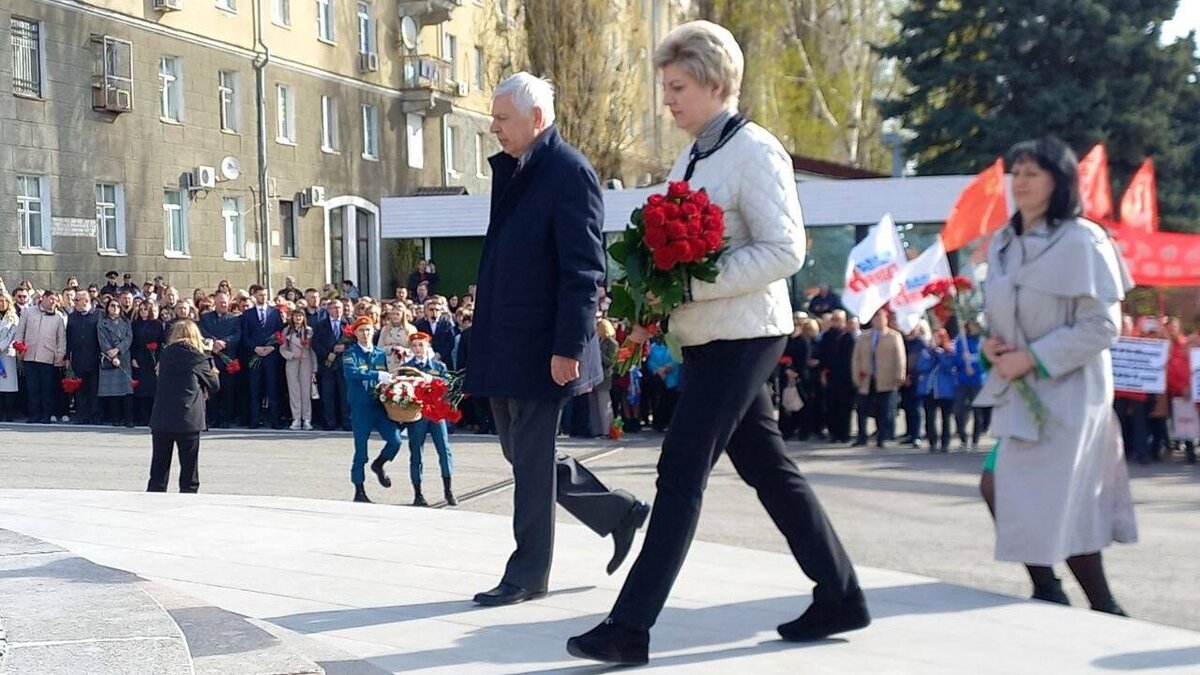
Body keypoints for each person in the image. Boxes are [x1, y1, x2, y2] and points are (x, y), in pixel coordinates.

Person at [567, 23, 867, 666]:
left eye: (676, 87)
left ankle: (630, 628)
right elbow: (681, 256)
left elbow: (785, 250)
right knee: (768, 470)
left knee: (679, 474)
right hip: (709, 336)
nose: (667, 100)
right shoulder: (695, 154)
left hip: (747, 334)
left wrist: (687, 290)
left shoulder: (756, 149)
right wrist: (655, 304)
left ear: (713, 83)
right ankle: (841, 594)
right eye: (666, 87)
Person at [467, 71, 649, 609]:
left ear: (536, 120)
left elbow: (584, 269)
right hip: (507, 342)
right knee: (521, 452)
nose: (493, 127)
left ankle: (527, 573)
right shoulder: (521, 168)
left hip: (543, 346)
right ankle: (617, 511)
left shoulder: (569, 172)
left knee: (529, 458)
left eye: (502, 118)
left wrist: (569, 347)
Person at [974, 136, 1136, 615]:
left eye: (1033, 172)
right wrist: (991, 345)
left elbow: (1104, 324)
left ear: (1059, 181)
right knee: (1001, 484)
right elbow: (1001, 315)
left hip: (1069, 391)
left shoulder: (1083, 239)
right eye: (1017, 172)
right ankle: (1049, 588)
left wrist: (1034, 357)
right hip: (1019, 390)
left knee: (1065, 498)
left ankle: (1100, 604)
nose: (1020, 182)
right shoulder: (1003, 242)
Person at [147, 319, 219, 493]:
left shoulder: (165, 354)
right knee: (189, 470)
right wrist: (210, 359)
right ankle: (188, 497)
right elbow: (214, 385)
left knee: (158, 468)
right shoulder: (199, 358)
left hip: (162, 415)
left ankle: (153, 499)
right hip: (188, 417)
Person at [342, 317, 404, 503]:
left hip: (379, 406)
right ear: (355, 333)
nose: (365, 334)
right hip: (361, 408)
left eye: (368, 330)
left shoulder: (379, 353)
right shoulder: (350, 354)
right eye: (361, 330)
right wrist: (377, 374)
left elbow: (386, 378)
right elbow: (351, 373)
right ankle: (359, 490)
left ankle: (379, 464)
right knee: (361, 450)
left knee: (395, 441)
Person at [400, 332, 456, 506]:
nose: (417, 349)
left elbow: (449, 384)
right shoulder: (407, 368)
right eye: (414, 345)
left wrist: (431, 379)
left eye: (421, 345)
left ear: (427, 347)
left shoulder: (438, 366)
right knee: (416, 452)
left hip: (436, 413)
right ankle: (418, 493)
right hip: (417, 415)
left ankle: (448, 490)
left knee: (444, 450)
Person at [851, 309, 905, 448]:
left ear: (886, 319)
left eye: (881, 318)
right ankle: (862, 437)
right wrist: (856, 375)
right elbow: (856, 358)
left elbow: (900, 358)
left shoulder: (894, 336)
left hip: (886, 379)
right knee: (862, 409)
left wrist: (899, 376)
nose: (878, 321)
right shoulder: (864, 337)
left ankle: (882, 438)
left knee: (885, 410)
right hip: (867, 379)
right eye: (875, 319)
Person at [16, 290, 66, 423]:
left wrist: (60, 354)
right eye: (51, 299)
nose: (53, 302)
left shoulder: (58, 316)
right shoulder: (28, 312)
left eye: (55, 300)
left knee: (47, 388)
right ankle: (34, 414)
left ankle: (46, 414)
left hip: (48, 356)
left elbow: (61, 338)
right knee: (32, 387)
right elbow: (20, 331)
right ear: (42, 298)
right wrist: (19, 347)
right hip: (29, 355)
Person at [243, 285, 285, 429]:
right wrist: (255, 348)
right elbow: (245, 335)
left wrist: (272, 347)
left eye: (266, 295)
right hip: (255, 355)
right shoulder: (247, 314)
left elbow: (280, 332)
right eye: (260, 295)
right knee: (255, 389)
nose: (263, 297)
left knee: (272, 388)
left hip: (270, 356)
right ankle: (254, 420)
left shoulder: (275, 312)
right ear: (255, 296)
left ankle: (275, 420)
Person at [198, 292, 242, 428]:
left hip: (228, 358)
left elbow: (237, 334)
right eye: (220, 302)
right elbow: (202, 332)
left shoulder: (234, 318)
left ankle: (226, 419)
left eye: (225, 302)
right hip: (211, 358)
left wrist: (224, 342)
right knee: (212, 389)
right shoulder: (205, 318)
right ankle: (213, 418)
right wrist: (214, 342)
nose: (223, 304)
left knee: (228, 390)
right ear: (215, 303)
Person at [313, 300, 352, 431]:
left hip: (343, 364)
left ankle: (346, 422)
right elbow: (315, 344)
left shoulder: (349, 323)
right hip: (327, 365)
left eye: (340, 307)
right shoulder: (320, 325)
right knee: (328, 395)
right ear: (329, 310)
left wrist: (345, 347)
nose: (338, 310)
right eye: (335, 308)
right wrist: (327, 354)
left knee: (345, 394)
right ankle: (329, 422)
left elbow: (356, 341)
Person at [919, 328, 959, 453]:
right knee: (929, 417)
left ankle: (945, 442)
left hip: (945, 390)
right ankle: (932, 441)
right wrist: (932, 353)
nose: (936, 340)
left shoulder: (950, 352)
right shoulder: (926, 352)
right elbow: (921, 366)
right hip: (929, 390)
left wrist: (940, 354)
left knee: (945, 418)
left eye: (939, 338)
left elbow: (948, 366)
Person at [97, 298, 134, 427]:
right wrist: (111, 354)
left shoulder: (126, 322)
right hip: (109, 358)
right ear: (107, 308)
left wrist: (118, 349)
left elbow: (129, 338)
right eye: (112, 306)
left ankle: (128, 418)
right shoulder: (103, 323)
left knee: (127, 390)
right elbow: (103, 340)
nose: (115, 308)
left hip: (124, 357)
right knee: (113, 391)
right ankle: (116, 418)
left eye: (118, 306)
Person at [65, 294, 102, 425]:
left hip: (94, 358)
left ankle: (95, 416)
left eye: (77, 300)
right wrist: (67, 357)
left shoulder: (98, 315)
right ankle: (82, 416)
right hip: (78, 359)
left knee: (94, 388)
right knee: (80, 389)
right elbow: (68, 338)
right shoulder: (72, 317)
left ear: (86, 301)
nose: (74, 302)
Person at [954, 320, 989, 450]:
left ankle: (975, 439)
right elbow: (955, 361)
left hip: (978, 380)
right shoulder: (961, 341)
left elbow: (987, 360)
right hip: (962, 380)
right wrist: (962, 360)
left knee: (977, 410)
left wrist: (977, 367)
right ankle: (963, 437)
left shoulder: (983, 341)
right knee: (959, 410)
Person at [280, 309, 316, 430]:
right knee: (294, 392)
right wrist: (291, 355)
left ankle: (307, 419)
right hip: (292, 362)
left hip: (306, 361)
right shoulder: (286, 331)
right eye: (296, 316)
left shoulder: (309, 331)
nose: (298, 318)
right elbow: (282, 349)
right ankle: (296, 418)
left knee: (306, 392)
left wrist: (314, 368)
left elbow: (312, 350)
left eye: (300, 316)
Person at [131, 301, 166, 426]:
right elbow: (133, 342)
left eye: (145, 309)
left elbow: (163, 343)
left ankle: (153, 417)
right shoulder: (135, 324)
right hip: (140, 359)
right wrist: (133, 358)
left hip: (153, 359)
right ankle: (142, 416)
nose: (142, 311)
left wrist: (160, 361)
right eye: (140, 309)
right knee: (140, 390)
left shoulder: (157, 324)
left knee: (153, 390)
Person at [413, 299, 456, 365]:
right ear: (426, 311)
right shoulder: (420, 325)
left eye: (437, 310)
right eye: (431, 309)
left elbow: (451, 342)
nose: (434, 311)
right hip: (425, 359)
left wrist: (440, 354)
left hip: (444, 359)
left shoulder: (447, 324)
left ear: (441, 311)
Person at [0, 292, 20, 421]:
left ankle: (10, 414)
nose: (1, 304)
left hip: (7, 354)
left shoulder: (13, 318)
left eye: (3, 301)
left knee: (8, 385)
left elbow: (11, 335)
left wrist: (1, 347)